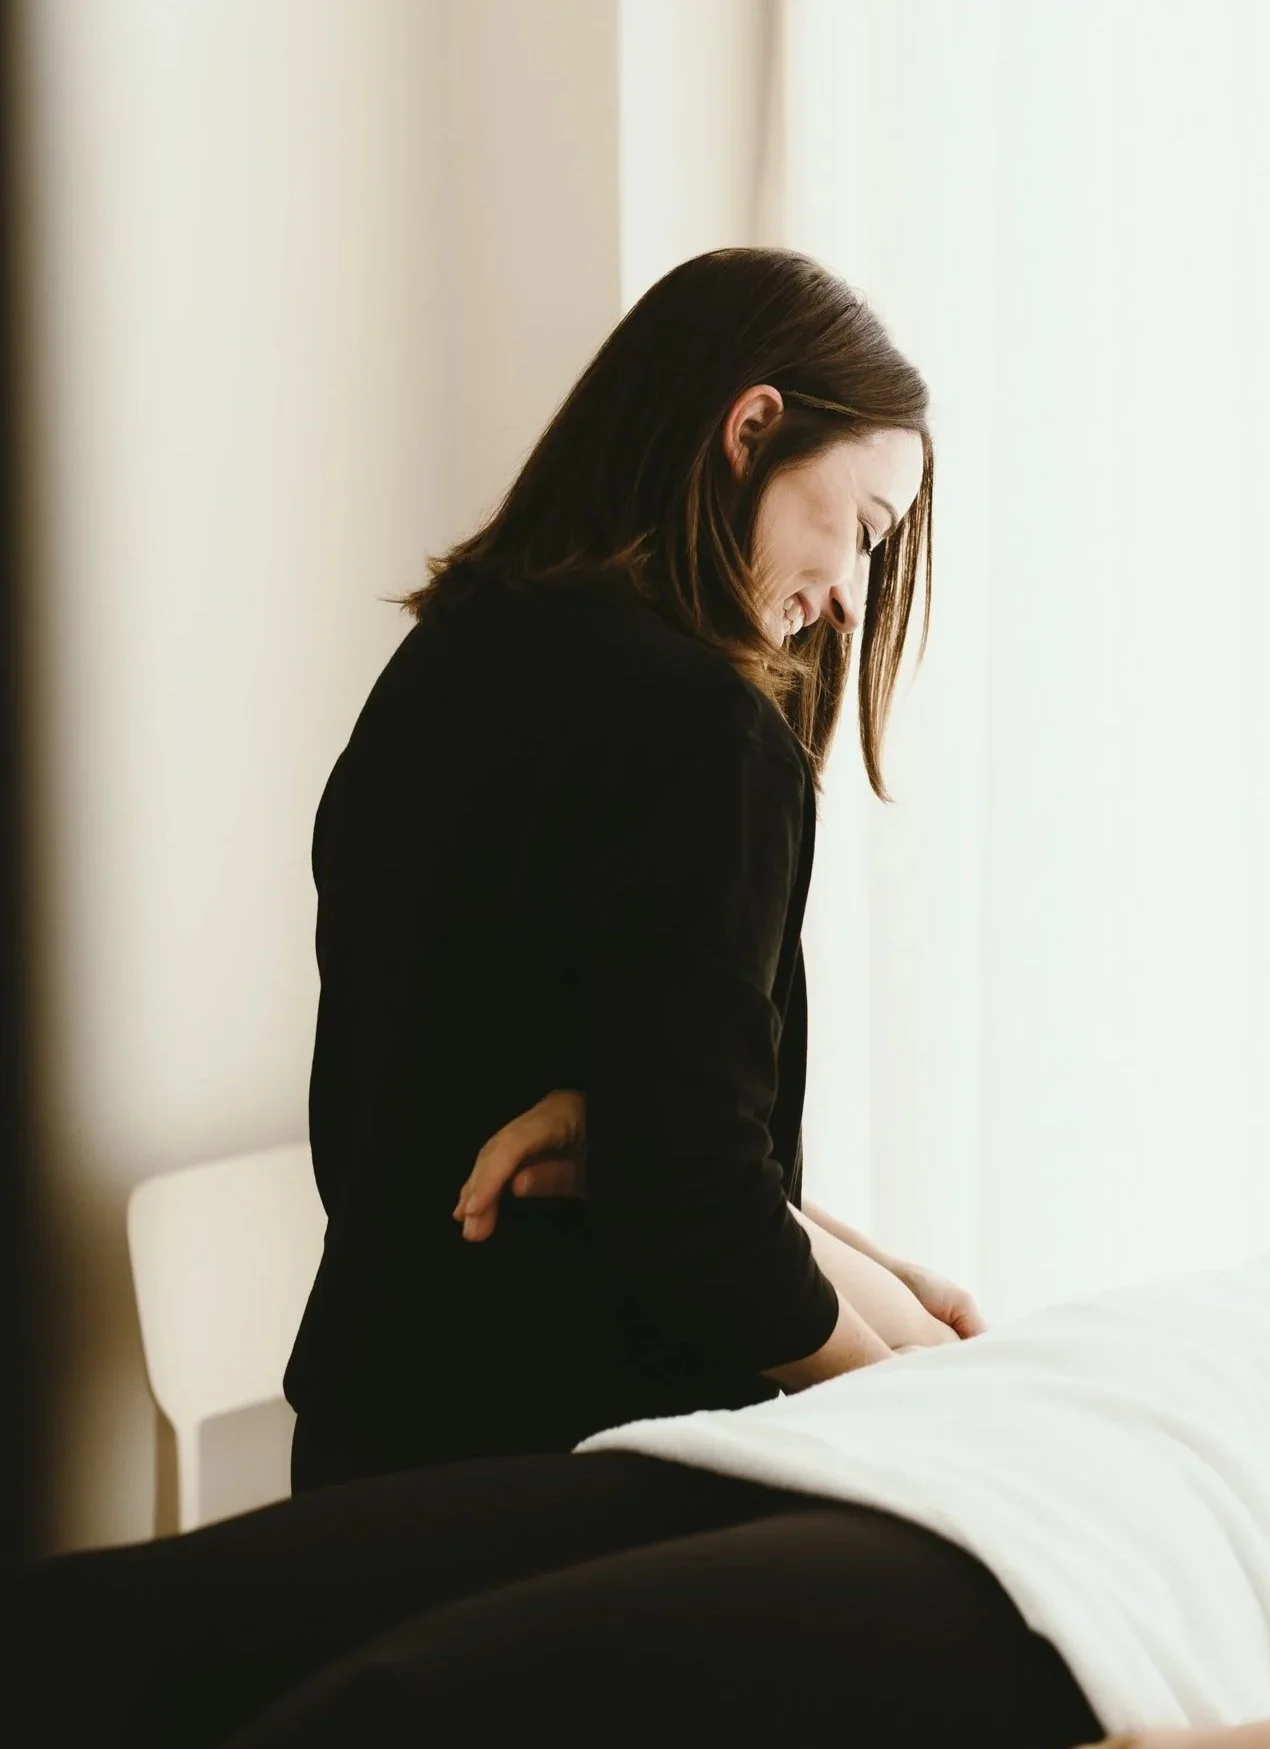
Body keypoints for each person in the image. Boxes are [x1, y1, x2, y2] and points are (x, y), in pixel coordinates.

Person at [26, 1194, 1270, 1749]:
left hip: (1051, 1586)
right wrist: (704, 1182)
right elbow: (973, 1353)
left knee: (397, 1712)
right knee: (128, 1625)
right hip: (820, 1459)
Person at [285, 249, 980, 1492]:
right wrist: (934, 1419)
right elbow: (698, 1207)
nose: (847, 601)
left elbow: (637, 1125)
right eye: (864, 533)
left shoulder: (440, 667)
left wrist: (854, 1265)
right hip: (575, 1472)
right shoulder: (705, 734)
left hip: (367, 1445)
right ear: (752, 425)